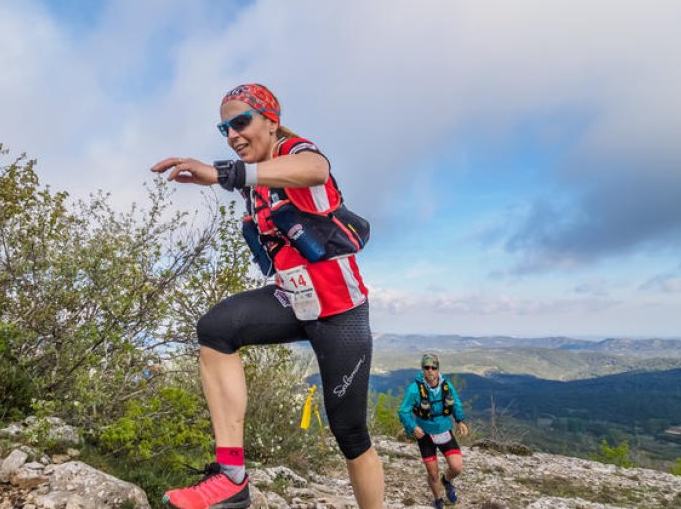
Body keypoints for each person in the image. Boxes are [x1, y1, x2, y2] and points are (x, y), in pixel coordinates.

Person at [151, 83, 385, 509]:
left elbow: (314, 169)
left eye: (241, 122)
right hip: (293, 300)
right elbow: (245, 183)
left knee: (350, 435)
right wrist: (208, 174)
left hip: (339, 314)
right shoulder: (253, 179)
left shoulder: (294, 152)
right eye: (224, 128)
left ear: (271, 121)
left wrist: (223, 172)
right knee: (215, 330)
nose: (232, 135)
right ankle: (232, 478)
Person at [398, 354, 470, 508]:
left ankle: (447, 480)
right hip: (425, 434)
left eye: (433, 367)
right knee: (432, 473)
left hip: (444, 430)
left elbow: (455, 403)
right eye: (426, 367)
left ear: (438, 369)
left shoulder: (446, 386)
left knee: (456, 467)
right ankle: (438, 499)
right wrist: (412, 427)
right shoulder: (414, 390)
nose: (430, 371)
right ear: (422, 369)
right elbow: (403, 411)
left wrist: (460, 421)